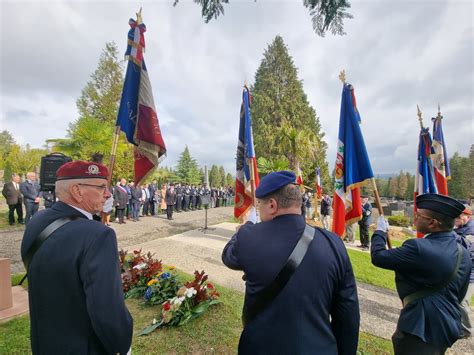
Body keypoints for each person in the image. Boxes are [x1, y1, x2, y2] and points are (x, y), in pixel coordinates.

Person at [222, 171, 360, 354]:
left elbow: (228, 256)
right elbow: (348, 316)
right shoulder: (333, 243)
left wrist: (244, 228)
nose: (259, 209)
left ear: (272, 205)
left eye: (259, 204)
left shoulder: (249, 237)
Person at [20, 160, 132, 354]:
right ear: (77, 191)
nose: (107, 194)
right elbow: (107, 310)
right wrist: (123, 346)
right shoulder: (98, 235)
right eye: (101, 188)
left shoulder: (37, 220)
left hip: (45, 342)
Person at [371, 194, 471, 354]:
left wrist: (380, 232)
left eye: (418, 215)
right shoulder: (462, 252)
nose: (415, 217)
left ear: (432, 222)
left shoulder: (418, 248)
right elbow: (460, 293)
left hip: (420, 326)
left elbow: (378, 257)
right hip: (446, 324)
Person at [454, 206, 474, 337]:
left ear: (468, 217)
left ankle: (466, 330)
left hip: (471, 274)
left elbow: (467, 250)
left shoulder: (471, 231)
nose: (456, 220)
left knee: (462, 302)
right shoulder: (460, 228)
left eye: (459, 217)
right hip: (460, 272)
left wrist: (451, 234)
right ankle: (455, 325)